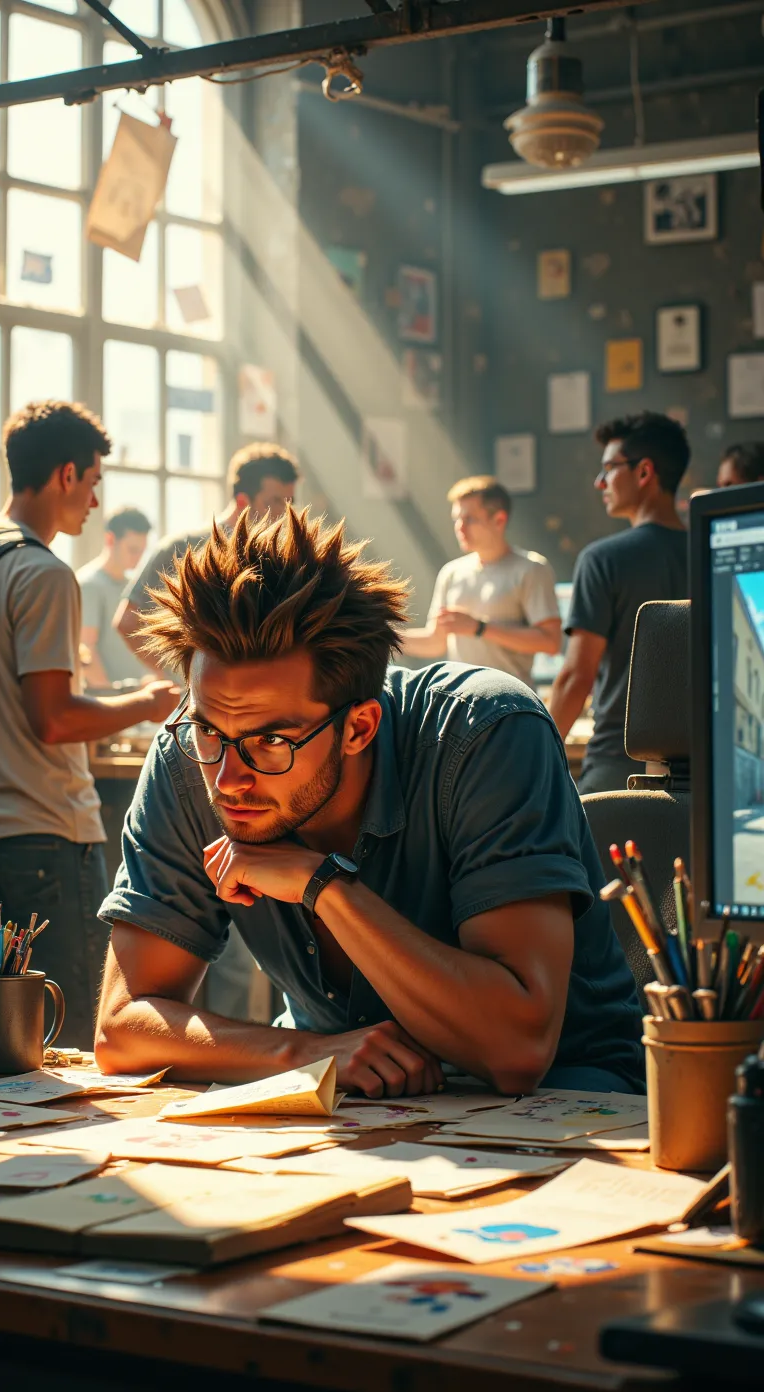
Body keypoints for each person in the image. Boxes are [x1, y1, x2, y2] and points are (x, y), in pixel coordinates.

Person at [93, 507, 643, 1097]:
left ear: (359, 727)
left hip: (568, 1100)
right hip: (349, 1097)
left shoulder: (487, 733)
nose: (228, 778)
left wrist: (322, 884)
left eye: (272, 741)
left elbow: (517, 1050)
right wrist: (306, 1055)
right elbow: (124, 1030)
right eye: (208, 731)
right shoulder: (190, 755)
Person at [0, 400, 178, 1044]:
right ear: (67, 474)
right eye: (94, 482)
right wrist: (148, 704)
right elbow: (53, 717)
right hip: (45, 837)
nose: (95, 502)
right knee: (65, 1039)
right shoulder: (44, 572)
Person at [549, 412, 689, 795]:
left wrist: (533, 750)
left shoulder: (603, 559)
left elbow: (577, 676)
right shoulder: (712, 554)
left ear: (644, 472)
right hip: (704, 773)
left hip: (619, 771)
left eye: (609, 468)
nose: (600, 482)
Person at [114, 442, 298, 673]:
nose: (285, 513)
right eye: (274, 502)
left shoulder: (282, 560)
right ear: (242, 501)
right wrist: (184, 682)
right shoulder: (182, 548)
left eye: (290, 502)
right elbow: (127, 622)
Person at [401, 476, 560, 685]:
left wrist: (480, 628)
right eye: (457, 519)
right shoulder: (451, 573)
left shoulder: (531, 569)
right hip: (461, 703)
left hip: (511, 703)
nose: (460, 527)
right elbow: (436, 642)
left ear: (499, 520)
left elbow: (551, 642)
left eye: (470, 519)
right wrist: (383, 636)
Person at [77, 506, 152, 687]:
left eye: (142, 550)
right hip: (109, 704)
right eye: (133, 550)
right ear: (110, 540)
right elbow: (86, 651)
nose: (138, 557)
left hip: (136, 701)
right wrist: (111, 700)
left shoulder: (132, 586)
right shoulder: (89, 585)